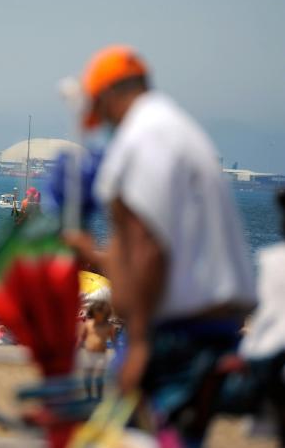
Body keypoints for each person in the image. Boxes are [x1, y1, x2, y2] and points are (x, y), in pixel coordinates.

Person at [66, 45, 255, 444]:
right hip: (206, 323)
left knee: (134, 437)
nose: (103, 126)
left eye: (101, 114)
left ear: (110, 97)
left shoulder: (144, 137)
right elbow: (152, 246)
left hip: (175, 332)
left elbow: (147, 244)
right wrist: (94, 259)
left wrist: (137, 342)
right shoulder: (178, 130)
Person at [78, 300, 114, 400]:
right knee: (87, 376)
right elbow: (81, 338)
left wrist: (118, 352)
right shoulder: (88, 324)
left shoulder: (109, 326)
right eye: (96, 315)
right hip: (89, 354)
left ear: (106, 314)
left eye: (101, 315)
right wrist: (77, 347)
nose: (99, 317)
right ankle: (88, 395)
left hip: (101, 355)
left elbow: (113, 340)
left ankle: (99, 396)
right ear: (93, 313)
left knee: (99, 377)